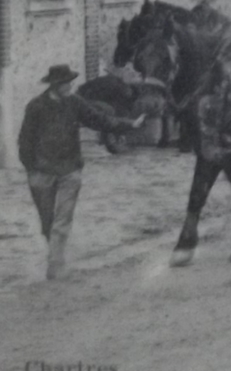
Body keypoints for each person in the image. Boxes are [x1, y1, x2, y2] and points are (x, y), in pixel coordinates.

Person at [18, 64, 144, 280]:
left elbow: (99, 119)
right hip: (42, 172)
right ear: (54, 85)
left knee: (62, 220)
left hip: (69, 169)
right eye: (65, 84)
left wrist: (130, 124)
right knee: (47, 222)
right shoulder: (36, 107)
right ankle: (57, 256)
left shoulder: (74, 102)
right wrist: (31, 168)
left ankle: (55, 265)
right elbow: (25, 141)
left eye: (70, 82)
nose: (69, 86)